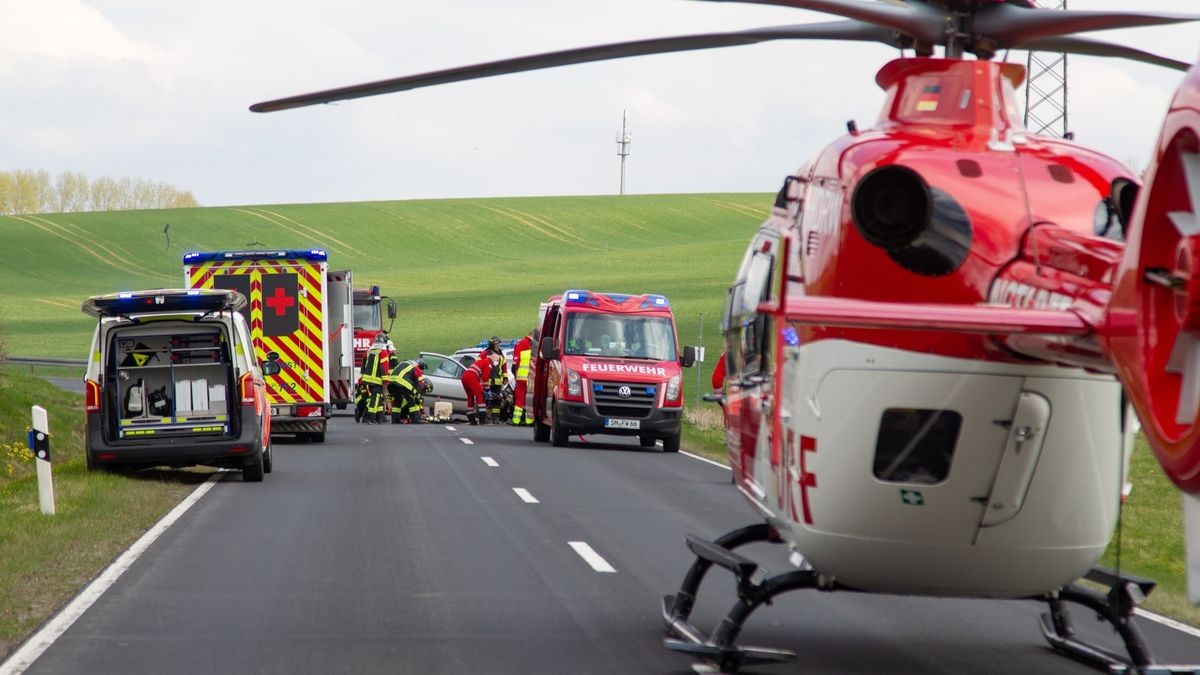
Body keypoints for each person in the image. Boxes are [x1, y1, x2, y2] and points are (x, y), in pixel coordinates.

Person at [358, 334, 390, 423]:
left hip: (368, 379)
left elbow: (363, 361)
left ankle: (379, 418)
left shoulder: (370, 350)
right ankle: (371, 418)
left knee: (377, 398)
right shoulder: (383, 352)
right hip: (377, 380)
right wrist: (385, 381)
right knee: (375, 399)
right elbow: (384, 368)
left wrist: (363, 374)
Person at [389, 357, 427, 424]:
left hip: (391, 381)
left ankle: (395, 420)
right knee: (412, 398)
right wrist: (418, 394)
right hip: (401, 381)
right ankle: (415, 419)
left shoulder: (405, 362)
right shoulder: (416, 367)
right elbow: (417, 384)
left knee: (398, 400)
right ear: (420, 365)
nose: (421, 371)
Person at [510, 328, 535, 425]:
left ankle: (521, 419)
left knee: (523, 397)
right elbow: (516, 359)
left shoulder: (526, 344)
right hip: (526, 376)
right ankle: (522, 420)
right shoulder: (525, 343)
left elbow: (516, 360)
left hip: (525, 376)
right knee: (525, 397)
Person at [460, 352, 493, 425]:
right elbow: (485, 377)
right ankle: (482, 419)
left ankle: (471, 419)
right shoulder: (489, 363)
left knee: (470, 397)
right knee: (480, 395)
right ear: (492, 356)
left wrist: (482, 386)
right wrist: (487, 389)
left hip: (464, 377)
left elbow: (479, 377)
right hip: (471, 377)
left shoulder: (481, 361)